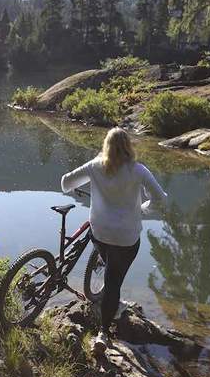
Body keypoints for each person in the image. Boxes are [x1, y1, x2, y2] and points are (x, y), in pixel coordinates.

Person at [60, 127, 167, 356]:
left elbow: (65, 183)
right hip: (127, 237)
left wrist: (82, 184)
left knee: (109, 266)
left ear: (106, 146)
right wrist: (142, 210)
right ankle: (103, 333)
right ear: (128, 146)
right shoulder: (138, 170)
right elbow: (159, 198)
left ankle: (104, 321)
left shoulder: (95, 165)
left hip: (100, 233)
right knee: (113, 283)